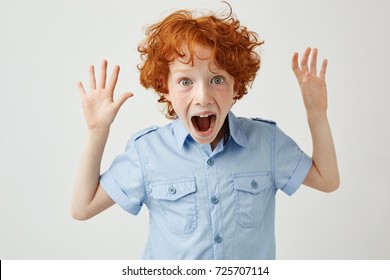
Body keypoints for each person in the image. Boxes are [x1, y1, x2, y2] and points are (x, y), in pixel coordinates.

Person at [71, 5, 340, 260]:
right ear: (165, 88)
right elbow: (83, 208)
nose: (203, 96)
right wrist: (97, 130)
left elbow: (327, 180)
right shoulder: (148, 152)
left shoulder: (266, 142)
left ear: (237, 85)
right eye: (185, 81)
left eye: (217, 79)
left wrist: (316, 114)